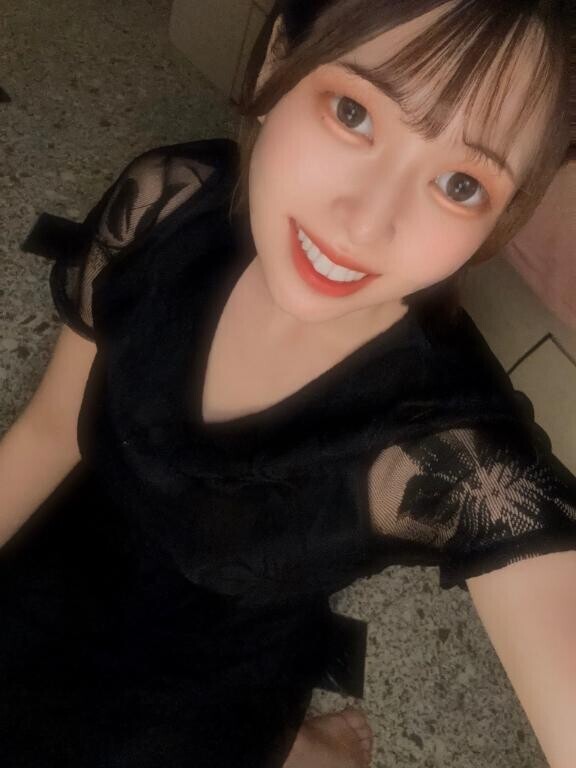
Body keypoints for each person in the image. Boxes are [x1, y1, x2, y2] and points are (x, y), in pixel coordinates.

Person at [0, 0, 574, 766]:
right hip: (66, 558)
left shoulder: (449, 446)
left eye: (462, 184)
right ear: (278, 56)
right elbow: (49, 431)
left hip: (215, 677)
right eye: (353, 113)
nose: (365, 224)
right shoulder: (167, 206)